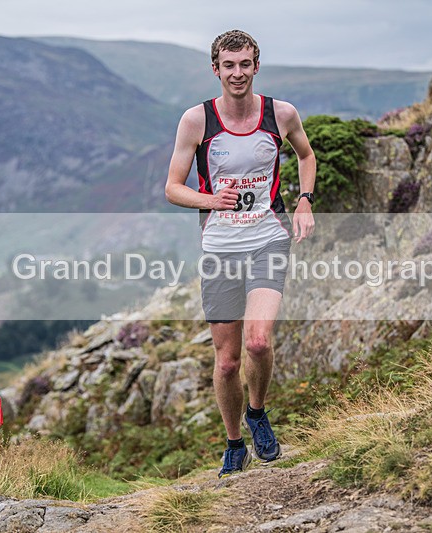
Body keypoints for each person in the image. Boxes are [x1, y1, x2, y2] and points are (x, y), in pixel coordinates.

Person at [165, 29, 316, 478]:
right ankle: (234, 442)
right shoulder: (197, 121)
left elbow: (306, 156)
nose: (237, 73)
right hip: (220, 247)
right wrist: (210, 200)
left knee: (258, 341)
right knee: (228, 360)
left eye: (245, 64)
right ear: (216, 69)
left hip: (268, 236)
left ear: (256, 66)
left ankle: (257, 413)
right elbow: (172, 188)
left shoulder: (280, 114)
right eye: (228, 65)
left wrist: (305, 199)